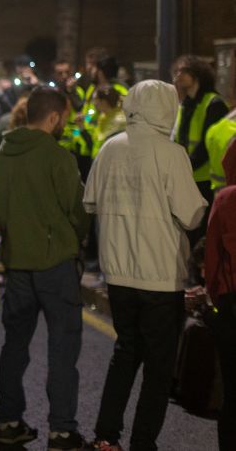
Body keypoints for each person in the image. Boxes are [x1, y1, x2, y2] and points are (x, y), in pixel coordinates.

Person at [84, 80, 207, 451]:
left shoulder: (110, 148)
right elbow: (191, 213)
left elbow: (90, 201)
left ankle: (106, 435)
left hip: (117, 272)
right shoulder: (171, 154)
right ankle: (142, 441)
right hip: (159, 277)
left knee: (126, 352)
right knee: (158, 366)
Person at [0, 86, 89, 449]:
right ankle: (62, 429)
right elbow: (78, 211)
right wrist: (77, 238)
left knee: (14, 346)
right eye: (64, 117)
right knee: (62, 348)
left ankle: (8, 421)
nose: (65, 123)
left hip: (17, 263)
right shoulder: (58, 157)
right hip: (55, 265)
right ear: (53, 117)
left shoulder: (3, 152)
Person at [206, 140, 236, 450]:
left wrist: (214, 298)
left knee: (232, 391)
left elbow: (212, 259)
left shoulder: (225, 199)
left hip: (232, 301)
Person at [172, 54, 229, 204]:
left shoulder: (213, 103)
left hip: (204, 180)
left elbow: (205, 145)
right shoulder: (185, 104)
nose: (179, 75)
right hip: (187, 177)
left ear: (197, 74)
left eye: (184, 71)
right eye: (177, 71)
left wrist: (184, 167)